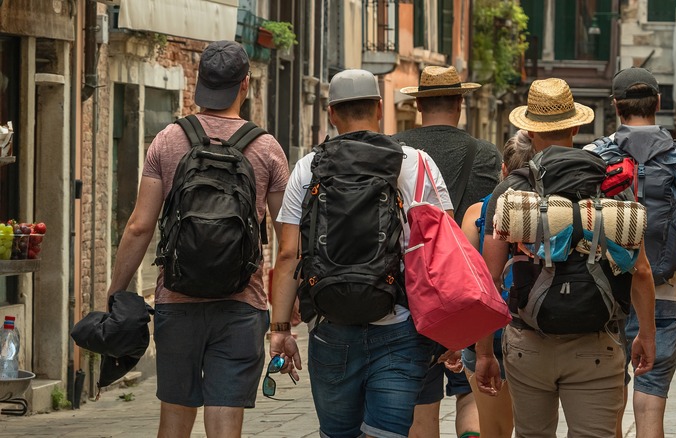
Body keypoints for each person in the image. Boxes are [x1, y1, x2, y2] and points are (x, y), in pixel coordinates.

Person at [106, 40, 290, 437]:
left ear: (202, 84)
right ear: (245, 84)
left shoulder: (169, 140)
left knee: (175, 416)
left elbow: (139, 226)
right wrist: (283, 318)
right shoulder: (267, 148)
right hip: (242, 303)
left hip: (177, 301)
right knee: (225, 420)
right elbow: (288, 242)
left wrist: (115, 293)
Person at [269, 69, 452, 438]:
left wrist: (280, 329)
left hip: (331, 327)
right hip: (401, 327)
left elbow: (289, 254)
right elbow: (444, 249)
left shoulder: (308, 168)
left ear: (331, 113)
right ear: (380, 109)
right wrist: (449, 330)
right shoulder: (416, 163)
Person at [474, 77, 657, 437]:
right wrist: (647, 335)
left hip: (528, 344)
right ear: (576, 124)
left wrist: (484, 353)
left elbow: (489, 279)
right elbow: (641, 271)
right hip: (597, 344)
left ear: (528, 129)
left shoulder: (511, 190)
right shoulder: (610, 184)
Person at [594, 67, 676, 438]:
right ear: (659, 103)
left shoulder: (594, 156)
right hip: (666, 295)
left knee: (609, 405)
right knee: (650, 404)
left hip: (606, 294)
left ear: (615, 106)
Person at [393, 65, 501, 438]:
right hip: (465, 289)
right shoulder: (485, 154)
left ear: (419, 104)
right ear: (460, 103)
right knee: (469, 397)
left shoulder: (394, 149)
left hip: (411, 293)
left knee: (421, 406)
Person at [459, 130, 533, 438]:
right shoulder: (549, 211)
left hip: (487, 336)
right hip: (533, 332)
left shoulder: (478, 213)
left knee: (495, 431)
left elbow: (466, 284)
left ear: (503, 169)